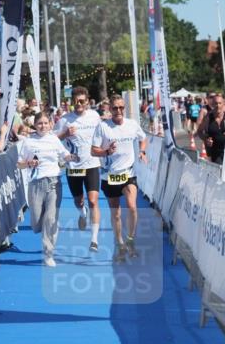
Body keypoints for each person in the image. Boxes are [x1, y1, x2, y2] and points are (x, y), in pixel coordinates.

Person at [17, 110, 79, 266]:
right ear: (35, 125)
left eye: (45, 123)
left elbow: (64, 154)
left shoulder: (54, 140)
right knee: (37, 222)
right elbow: (19, 164)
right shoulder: (28, 141)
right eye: (40, 123)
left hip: (53, 182)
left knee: (50, 219)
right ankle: (44, 228)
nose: (43, 126)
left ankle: (48, 254)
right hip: (36, 184)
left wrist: (71, 157)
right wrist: (29, 163)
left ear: (50, 124)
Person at [92, 95, 148, 262]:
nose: (118, 111)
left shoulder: (132, 125)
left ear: (125, 109)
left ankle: (130, 240)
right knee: (115, 214)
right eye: (115, 108)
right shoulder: (103, 127)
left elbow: (143, 138)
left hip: (128, 173)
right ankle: (120, 243)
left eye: (121, 108)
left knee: (132, 206)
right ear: (109, 109)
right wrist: (106, 151)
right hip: (109, 175)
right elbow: (93, 150)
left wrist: (142, 151)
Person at [56, 86, 103, 251]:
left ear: (87, 101)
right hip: (74, 166)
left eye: (82, 101)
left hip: (92, 164)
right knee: (79, 200)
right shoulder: (64, 120)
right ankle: (83, 214)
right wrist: (65, 134)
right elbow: (53, 140)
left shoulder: (94, 116)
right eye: (76, 101)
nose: (79, 104)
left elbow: (102, 134)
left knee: (93, 200)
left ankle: (94, 240)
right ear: (72, 102)